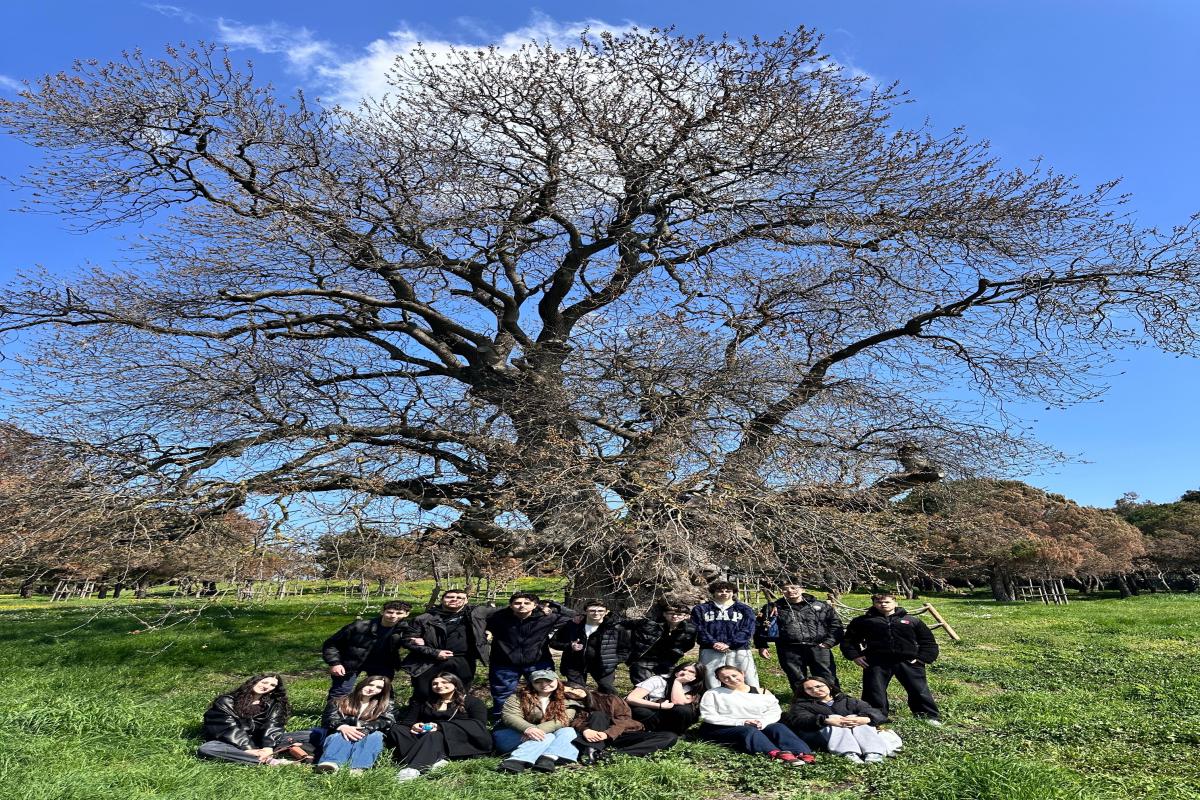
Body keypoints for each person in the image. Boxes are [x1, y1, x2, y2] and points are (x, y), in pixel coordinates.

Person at [840, 593, 942, 725]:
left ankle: (928, 716)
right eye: (878, 602)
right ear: (873, 603)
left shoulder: (911, 620)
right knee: (874, 691)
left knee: (918, 689)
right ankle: (875, 717)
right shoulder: (863, 621)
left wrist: (922, 658)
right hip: (877, 661)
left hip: (908, 661)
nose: (883, 604)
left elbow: (928, 641)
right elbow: (849, 641)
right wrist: (855, 656)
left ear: (895, 603)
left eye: (887, 602)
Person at [696, 665, 814, 764]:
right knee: (748, 731)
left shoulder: (762, 692)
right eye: (725, 678)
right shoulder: (713, 694)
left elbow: (775, 711)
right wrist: (741, 722)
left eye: (734, 675)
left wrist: (762, 722)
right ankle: (774, 753)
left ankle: (801, 752)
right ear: (719, 680)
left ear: (742, 674)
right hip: (722, 727)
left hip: (757, 724)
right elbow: (708, 716)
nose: (731, 679)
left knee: (778, 727)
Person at [387, 672, 492, 781]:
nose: (439, 686)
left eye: (444, 682)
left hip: (458, 739)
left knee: (434, 735)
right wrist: (415, 725)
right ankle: (434, 760)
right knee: (398, 729)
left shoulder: (472, 702)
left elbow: (479, 725)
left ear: (455, 684)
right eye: (435, 684)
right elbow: (407, 722)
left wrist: (441, 726)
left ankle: (413, 768)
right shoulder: (425, 701)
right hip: (426, 736)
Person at [401, 589, 496, 700]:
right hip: (430, 660)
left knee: (460, 690)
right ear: (442, 600)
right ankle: (419, 715)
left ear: (466, 601)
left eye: (459, 597)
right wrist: (435, 652)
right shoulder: (424, 618)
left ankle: (456, 714)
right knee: (424, 691)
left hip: (463, 659)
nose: (454, 599)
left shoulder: (476, 614)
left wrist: (489, 631)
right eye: (450, 597)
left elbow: (505, 614)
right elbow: (407, 640)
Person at [198, 674, 311, 765]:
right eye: (264, 682)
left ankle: (310, 756)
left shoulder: (274, 703)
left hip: (263, 741)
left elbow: (274, 726)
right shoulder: (227, 701)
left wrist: (267, 747)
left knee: (311, 734)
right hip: (234, 743)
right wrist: (248, 749)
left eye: (272, 685)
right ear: (254, 681)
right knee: (208, 748)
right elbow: (229, 728)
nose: (267, 686)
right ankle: (267, 761)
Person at [485, 592, 564, 718]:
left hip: (537, 662)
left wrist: (554, 605)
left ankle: (543, 717)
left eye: (527, 603)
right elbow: (479, 614)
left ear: (535, 605)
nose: (522, 606)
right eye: (517, 603)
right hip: (504, 663)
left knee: (544, 690)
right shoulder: (497, 618)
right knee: (502, 694)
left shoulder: (546, 618)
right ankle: (501, 720)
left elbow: (574, 616)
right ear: (510, 605)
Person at [321, 601, 420, 701]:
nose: (393, 616)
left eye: (399, 613)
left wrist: (415, 640)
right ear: (382, 612)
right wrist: (334, 663)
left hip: (382, 663)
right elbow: (331, 643)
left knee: (384, 691)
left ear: (407, 614)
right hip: (350, 661)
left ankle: (383, 715)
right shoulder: (359, 626)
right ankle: (333, 716)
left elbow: (409, 640)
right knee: (341, 691)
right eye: (390, 612)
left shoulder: (405, 630)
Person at [783, 676, 895, 764]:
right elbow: (800, 720)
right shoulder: (802, 705)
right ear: (804, 692)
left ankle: (874, 753)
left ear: (829, 687)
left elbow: (875, 712)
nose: (815, 690)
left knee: (860, 722)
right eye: (809, 689)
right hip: (822, 735)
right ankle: (849, 754)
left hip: (854, 732)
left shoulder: (847, 701)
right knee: (835, 723)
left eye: (819, 686)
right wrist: (825, 720)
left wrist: (864, 718)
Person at [755, 580, 843, 689]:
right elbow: (759, 626)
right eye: (785, 589)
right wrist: (761, 645)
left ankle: (834, 699)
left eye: (793, 587)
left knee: (826, 675)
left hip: (818, 647)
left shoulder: (820, 606)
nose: (790, 591)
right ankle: (802, 702)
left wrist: (829, 642)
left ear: (802, 589)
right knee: (796, 678)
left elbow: (836, 625)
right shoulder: (773, 607)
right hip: (789, 648)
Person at [563, 683, 678, 763]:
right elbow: (575, 721)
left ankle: (614, 755)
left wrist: (608, 734)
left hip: (620, 734)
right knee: (598, 715)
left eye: (573, 688)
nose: (575, 693)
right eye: (567, 692)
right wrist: (586, 730)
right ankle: (591, 752)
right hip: (593, 737)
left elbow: (624, 720)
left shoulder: (609, 699)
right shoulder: (573, 706)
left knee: (669, 737)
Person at [492, 670, 580, 774]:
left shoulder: (566, 699)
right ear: (531, 684)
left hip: (541, 736)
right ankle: (516, 760)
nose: (544, 684)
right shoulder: (517, 697)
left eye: (548, 680)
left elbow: (563, 720)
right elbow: (510, 716)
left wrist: (536, 730)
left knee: (568, 731)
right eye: (538, 682)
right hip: (511, 735)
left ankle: (548, 758)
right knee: (548, 736)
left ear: (557, 681)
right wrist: (528, 729)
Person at [315, 675, 396, 774]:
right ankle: (330, 764)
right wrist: (342, 726)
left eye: (378, 688)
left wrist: (367, 728)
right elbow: (328, 719)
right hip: (340, 733)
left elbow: (387, 720)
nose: (372, 689)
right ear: (362, 684)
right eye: (370, 684)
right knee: (340, 735)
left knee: (375, 736)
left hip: (369, 733)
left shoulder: (385, 705)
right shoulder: (338, 701)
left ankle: (358, 768)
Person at [549, 599, 629, 694]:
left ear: (606, 612)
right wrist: (570, 646)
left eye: (600, 611)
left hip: (603, 665)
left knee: (608, 691)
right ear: (585, 611)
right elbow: (554, 642)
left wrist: (613, 660)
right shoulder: (573, 625)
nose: (596, 613)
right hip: (574, 664)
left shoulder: (615, 628)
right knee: (577, 692)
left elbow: (625, 649)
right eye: (592, 610)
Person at [692, 581, 759, 688]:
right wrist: (713, 643)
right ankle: (714, 701)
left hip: (739, 649)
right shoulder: (701, 609)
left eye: (728, 591)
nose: (724, 593)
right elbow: (699, 628)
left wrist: (730, 644)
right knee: (711, 679)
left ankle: (753, 700)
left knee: (747, 677)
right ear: (713, 592)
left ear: (733, 593)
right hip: (710, 649)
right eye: (719, 591)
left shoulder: (745, 609)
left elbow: (748, 629)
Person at [621, 602, 698, 684]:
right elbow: (628, 630)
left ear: (686, 616)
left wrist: (677, 653)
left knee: (670, 683)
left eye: (679, 614)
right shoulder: (651, 624)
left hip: (668, 660)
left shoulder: (690, 629)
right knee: (642, 684)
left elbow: (689, 645)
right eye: (671, 613)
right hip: (645, 658)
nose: (675, 616)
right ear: (664, 614)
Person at [624, 660, 705, 734]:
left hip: (670, 717)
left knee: (684, 710)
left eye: (691, 672)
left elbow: (678, 702)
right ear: (677, 671)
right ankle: (648, 731)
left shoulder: (694, 688)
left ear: (696, 676)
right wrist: (659, 706)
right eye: (683, 669)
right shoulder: (658, 680)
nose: (685, 673)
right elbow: (630, 699)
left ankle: (673, 733)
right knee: (641, 712)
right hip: (651, 711)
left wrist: (678, 682)